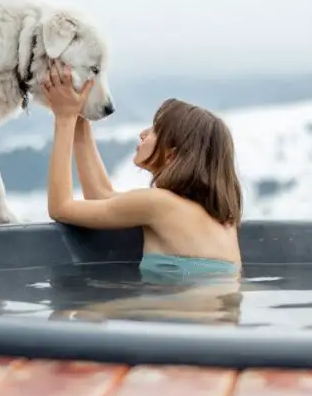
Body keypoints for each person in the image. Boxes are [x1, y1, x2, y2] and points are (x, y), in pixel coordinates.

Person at [40, 60, 244, 283]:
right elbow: (101, 197)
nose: (143, 133)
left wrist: (63, 119)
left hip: (176, 310)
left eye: (155, 130)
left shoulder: (159, 204)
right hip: (200, 310)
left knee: (86, 312)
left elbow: (60, 208)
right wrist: (79, 114)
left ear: (171, 154)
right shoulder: (222, 221)